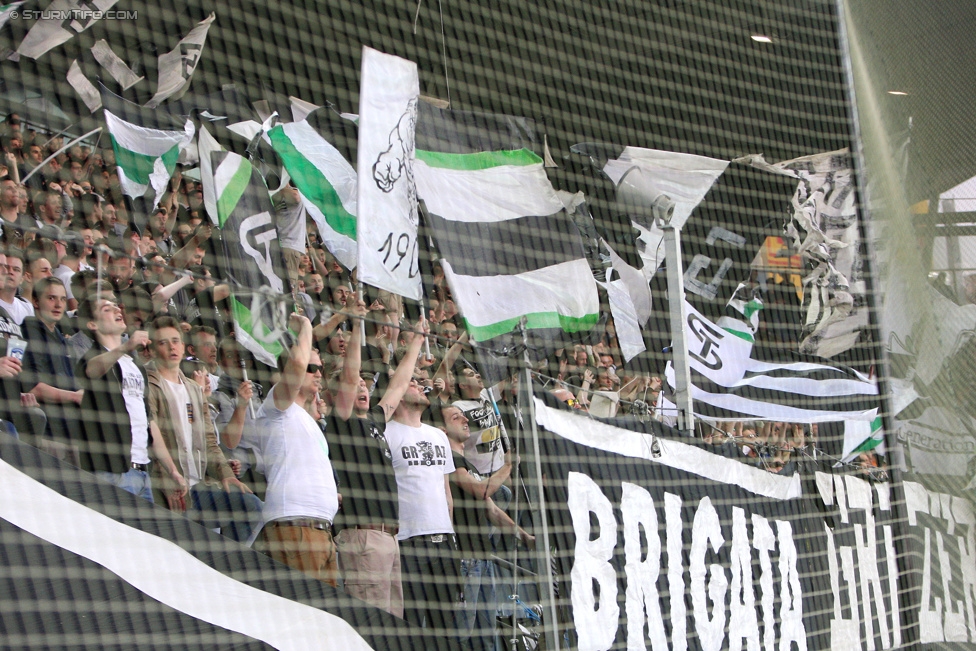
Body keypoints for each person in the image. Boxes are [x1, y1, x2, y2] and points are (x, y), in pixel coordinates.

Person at [326, 296, 426, 616]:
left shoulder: (375, 422)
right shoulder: (340, 424)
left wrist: (417, 343)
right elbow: (351, 372)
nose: (364, 388)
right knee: (371, 625)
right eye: (356, 386)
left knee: (391, 628)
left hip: (388, 539)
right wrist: (357, 327)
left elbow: (397, 387)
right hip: (363, 538)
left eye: (367, 385)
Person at [145, 316, 261, 542]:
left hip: (199, 486)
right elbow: (150, 438)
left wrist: (226, 474)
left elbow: (209, 439)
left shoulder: (193, 389)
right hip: (168, 488)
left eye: (176, 341)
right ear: (152, 349)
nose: (172, 347)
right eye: (163, 342)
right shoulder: (149, 385)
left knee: (252, 507)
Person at [243, 313, 340, 585]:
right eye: (313, 368)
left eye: (320, 368)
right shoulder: (276, 408)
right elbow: (297, 363)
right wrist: (306, 327)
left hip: (322, 531)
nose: (318, 373)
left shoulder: (307, 419)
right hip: (294, 527)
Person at [441, 404, 534, 651]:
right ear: (442, 429)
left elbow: (491, 510)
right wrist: (508, 466)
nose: (463, 418)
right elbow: (482, 490)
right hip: (465, 558)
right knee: (462, 631)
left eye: (463, 414)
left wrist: (525, 537)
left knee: (486, 634)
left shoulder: (467, 464)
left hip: (482, 557)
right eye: (455, 416)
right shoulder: (449, 460)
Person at [385, 325, 458, 634]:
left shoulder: (438, 435)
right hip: (408, 544)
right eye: (412, 383)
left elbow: (446, 493)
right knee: (412, 627)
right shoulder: (386, 432)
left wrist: (452, 536)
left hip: (445, 542)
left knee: (447, 631)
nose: (421, 386)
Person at [76, 294, 185, 501]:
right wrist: (126, 346)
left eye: (116, 306)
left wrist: (172, 470)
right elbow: (90, 372)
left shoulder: (135, 366)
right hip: (111, 472)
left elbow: (149, 422)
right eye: (107, 309)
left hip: (143, 472)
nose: (117, 310)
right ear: (92, 324)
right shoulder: (94, 356)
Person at [21, 277, 82, 445]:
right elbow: (34, 388)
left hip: (68, 434)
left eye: (63, 299)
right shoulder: (30, 329)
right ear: (35, 301)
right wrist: (76, 396)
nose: (58, 305)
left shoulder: (61, 338)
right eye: (51, 298)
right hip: (47, 435)